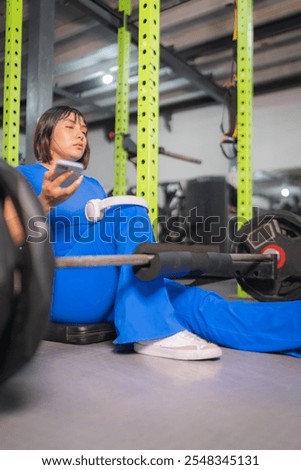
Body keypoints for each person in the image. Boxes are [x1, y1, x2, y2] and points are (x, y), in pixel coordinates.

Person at [7, 105, 301, 360]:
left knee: (202, 304)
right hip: (64, 286)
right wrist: (44, 201)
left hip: (112, 284)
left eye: (84, 129)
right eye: (70, 127)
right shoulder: (27, 176)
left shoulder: (93, 184)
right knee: (128, 210)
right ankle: (150, 331)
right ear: (46, 135)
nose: (81, 134)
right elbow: (6, 239)